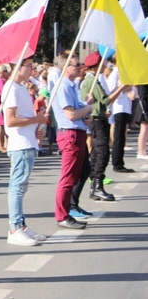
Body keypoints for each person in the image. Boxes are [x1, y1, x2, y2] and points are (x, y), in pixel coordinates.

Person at [2, 58, 49, 246]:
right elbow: (10, 120)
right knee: (17, 186)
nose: (32, 69)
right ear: (18, 67)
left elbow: (28, 117)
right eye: (29, 65)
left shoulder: (21, 87)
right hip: (20, 144)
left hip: (28, 142)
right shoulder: (11, 88)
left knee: (22, 186)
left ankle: (21, 225)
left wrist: (37, 126)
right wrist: (34, 120)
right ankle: (14, 228)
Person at [79, 52, 130, 201]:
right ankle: (97, 185)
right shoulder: (92, 81)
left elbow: (99, 104)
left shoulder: (93, 80)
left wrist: (102, 111)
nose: (106, 65)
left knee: (98, 153)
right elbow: (106, 100)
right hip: (97, 122)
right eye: (103, 62)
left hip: (98, 118)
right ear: (96, 66)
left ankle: (96, 186)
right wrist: (121, 88)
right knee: (102, 153)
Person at [51, 57, 93, 229]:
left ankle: (69, 208)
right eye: (76, 65)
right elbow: (70, 115)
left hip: (76, 133)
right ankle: (62, 215)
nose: (80, 67)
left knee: (81, 171)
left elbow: (76, 112)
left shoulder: (70, 85)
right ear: (66, 67)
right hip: (70, 134)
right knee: (68, 177)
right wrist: (87, 109)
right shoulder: (63, 86)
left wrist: (85, 113)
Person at [106, 55, 136, 173]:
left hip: (125, 107)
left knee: (122, 137)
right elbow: (111, 91)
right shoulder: (115, 73)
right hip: (118, 108)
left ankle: (119, 161)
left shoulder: (121, 72)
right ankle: (117, 164)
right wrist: (125, 89)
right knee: (118, 137)